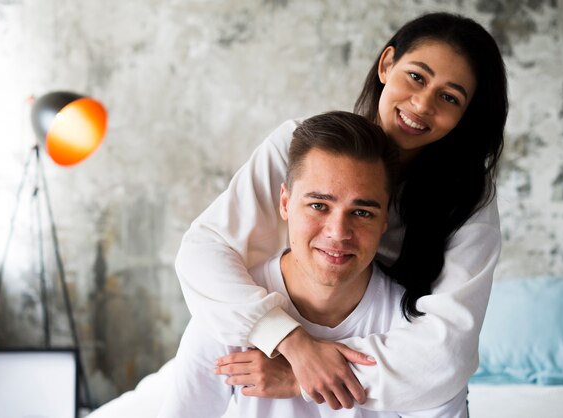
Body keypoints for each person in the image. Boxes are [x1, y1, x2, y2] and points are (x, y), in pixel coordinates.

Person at [175, 12, 507, 411]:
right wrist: (290, 342)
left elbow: (445, 352)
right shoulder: (300, 144)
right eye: (416, 77)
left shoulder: (467, 201)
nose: (422, 104)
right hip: (271, 329)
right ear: (387, 64)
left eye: (449, 97)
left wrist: (303, 375)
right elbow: (205, 251)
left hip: (382, 356)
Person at [159, 111, 468, 418]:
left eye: (362, 212)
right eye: (319, 206)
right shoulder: (228, 309)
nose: (338, 233)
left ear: (385, 218)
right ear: (285, 202)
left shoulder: (416, 328)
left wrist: (298, 379)